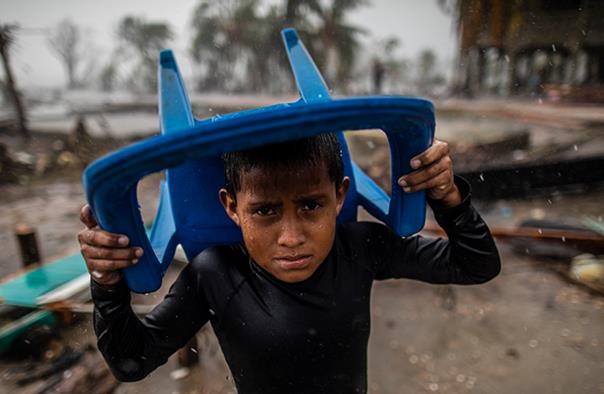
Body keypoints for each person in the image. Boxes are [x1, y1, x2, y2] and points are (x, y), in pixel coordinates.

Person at [78, 134, 500, 394]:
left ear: (339, 195)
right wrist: (107, 280)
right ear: (232, 207)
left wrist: (448, 198)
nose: (292, 236)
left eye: (311, 205)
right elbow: (131, 362)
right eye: (265, 211)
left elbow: (475, 264)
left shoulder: (360, 245)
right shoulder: (215, 273)